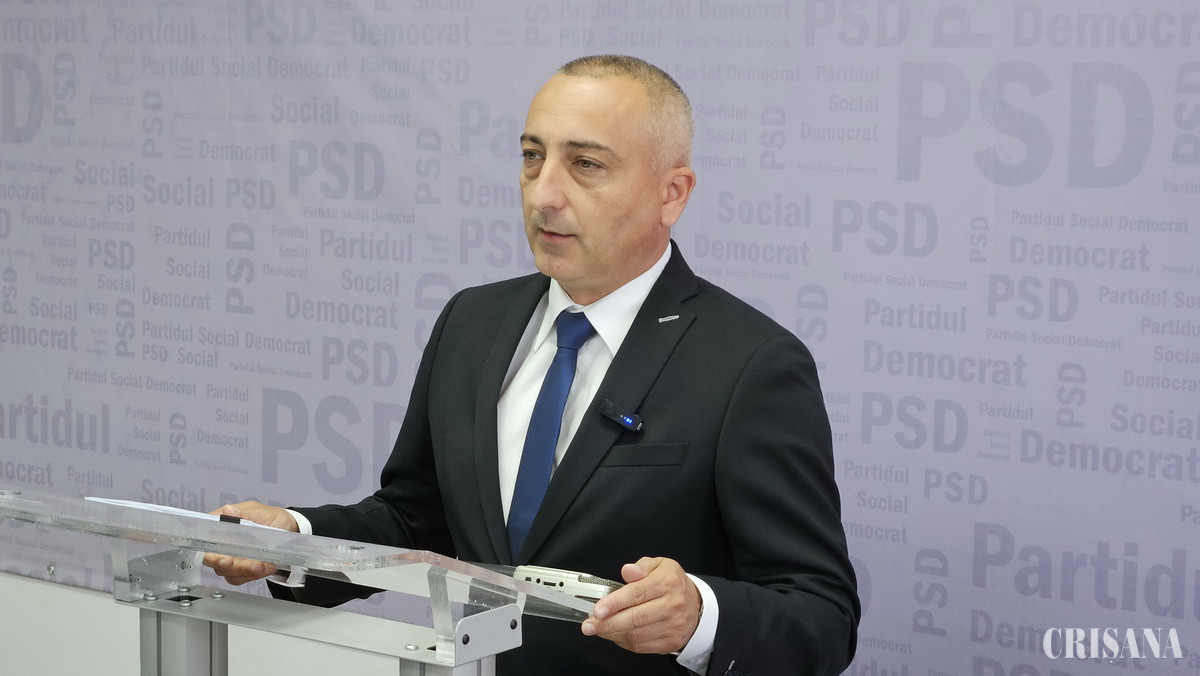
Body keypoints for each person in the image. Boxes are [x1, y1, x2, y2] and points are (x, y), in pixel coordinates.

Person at [206, 54, 859, 675]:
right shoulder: (473, 322)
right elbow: (417, 519)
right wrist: (293, 540)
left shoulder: (751, 366)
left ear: (672, 193)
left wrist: (699, 618)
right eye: (531, 157)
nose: (544, 193)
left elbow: (821, 616)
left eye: (586, 164)